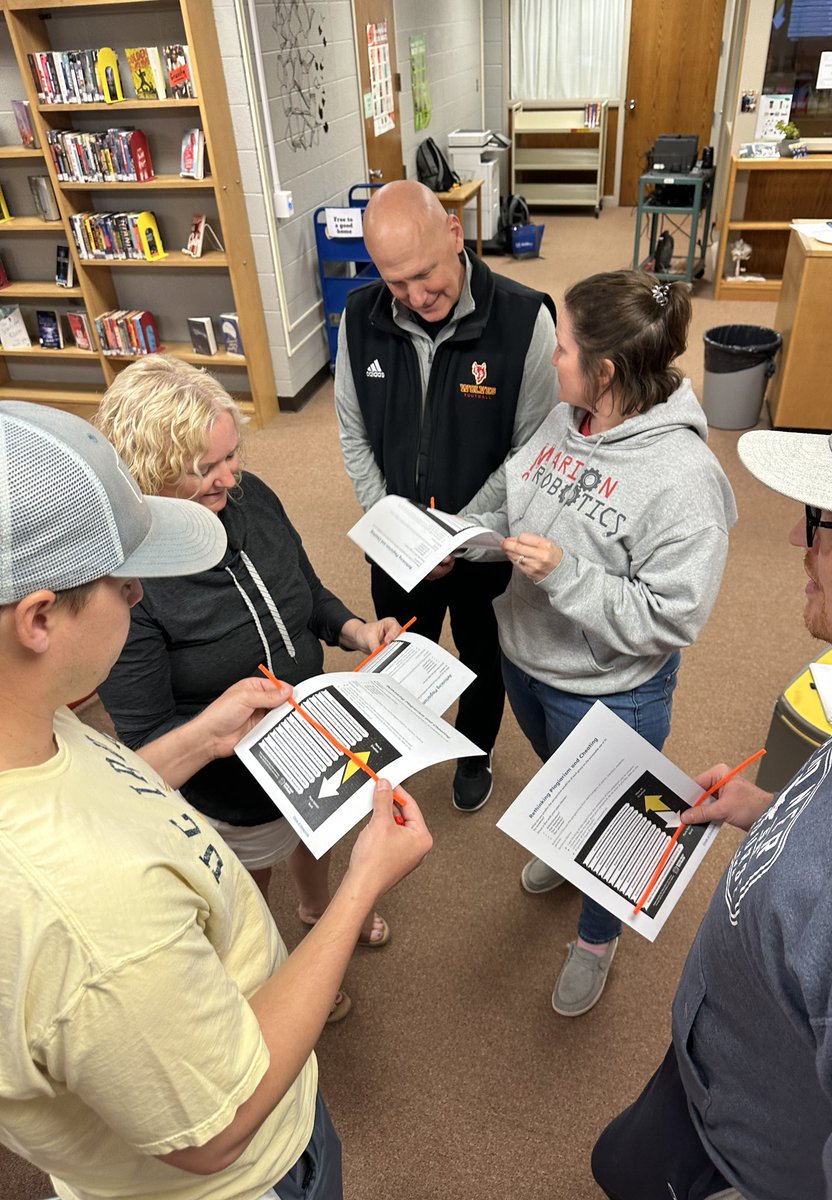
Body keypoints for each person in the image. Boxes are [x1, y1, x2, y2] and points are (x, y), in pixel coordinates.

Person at [0, 400, 432, 1200]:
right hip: (250, 1174)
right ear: (37, 620)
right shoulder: (88, 918)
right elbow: (218, 1127)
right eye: (125, 581)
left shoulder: (36, 724)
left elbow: (112, 779)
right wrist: (364, 883)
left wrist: (202, 737)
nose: (139, 596)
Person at [591, 359, 832, 1200]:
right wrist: (766, 811)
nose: (803, 540)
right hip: (719, 1075)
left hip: (755, 1162)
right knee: (617, 1163)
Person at [464, 271, 737, 1016]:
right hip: (525, 656)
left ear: (606, 371)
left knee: (612, 823)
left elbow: (673, 617)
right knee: (565, 790)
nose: (552, 358)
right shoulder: (566, 416)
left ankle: (596, 937)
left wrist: (568, 574)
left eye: (565, 347)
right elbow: (513, 485)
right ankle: (565, 845)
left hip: (611, 690)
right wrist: (462, 532)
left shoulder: (685, 481)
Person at [95, 356, 399, 1021]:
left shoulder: (251, 495)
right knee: (246, 886)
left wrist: (353, 631)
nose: (231, 478)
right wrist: (219, 737)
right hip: (234, 780)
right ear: (148, 475)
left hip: (314, 731)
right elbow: (145, 745)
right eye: (207, 470)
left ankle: (317, 908)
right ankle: (279, 968)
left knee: (319, 831)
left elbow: (304, 590)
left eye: (233, 455)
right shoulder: (130, 585)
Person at [334, 179, 558, 812]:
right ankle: (401, 750)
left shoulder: (524, 319)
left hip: (486, 547)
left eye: (425, 274)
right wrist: (395, 526)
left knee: (484, 655)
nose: (414, 295)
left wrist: (454, 532)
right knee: (401, 651)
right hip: (397, 547)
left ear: (455, 236)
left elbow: (532, 454)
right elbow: (354, 435)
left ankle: (474, 753)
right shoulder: (360, 317)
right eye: (395, 281)